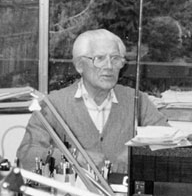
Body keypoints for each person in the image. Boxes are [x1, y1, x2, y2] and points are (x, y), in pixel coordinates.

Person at [16, 28, 168, 175]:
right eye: (99, 59)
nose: (109, 66)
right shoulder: (53, 105)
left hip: (123, 192)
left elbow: (169, 144)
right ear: (79, 65)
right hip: (72, 191)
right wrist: (75, 157)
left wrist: (137, 155)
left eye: (115, 59)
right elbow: (27, 153)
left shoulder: (137, 101)